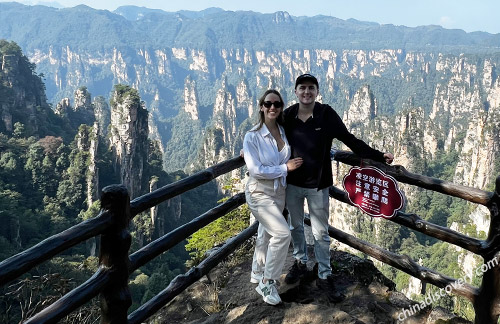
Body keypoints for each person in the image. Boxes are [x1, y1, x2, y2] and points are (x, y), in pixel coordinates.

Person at [283, 74, 394, 302]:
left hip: (318, 185)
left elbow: (349, 139)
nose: (306, 92)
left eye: (311, 88)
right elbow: (267, 134)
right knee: (295, 227)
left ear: (317, 91)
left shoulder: (326, 114)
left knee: (321, 233)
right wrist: (248, 149)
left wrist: (378, 156)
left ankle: (325, 274)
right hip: (292, 184)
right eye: (302, 88)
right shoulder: (288, 115)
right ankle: (301, 262)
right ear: (295, 91)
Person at [243, 89, 303, 305]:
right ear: (261, 106)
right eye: (268, 104)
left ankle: (257, 273)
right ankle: (268, 282)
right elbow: (256, 170)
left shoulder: (283, 130)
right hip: (259, 192)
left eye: (277, 104)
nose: (272, 108)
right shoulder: (252, 136)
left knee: (266, 233)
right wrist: (284, 168)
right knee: (282, 233)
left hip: (278, 192)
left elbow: (306, 142)